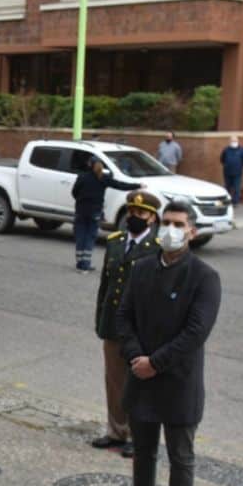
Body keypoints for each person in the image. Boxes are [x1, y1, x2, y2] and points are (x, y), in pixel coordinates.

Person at [99, 200, 221, 486]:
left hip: (179, 382)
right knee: (144, 451)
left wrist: (156, 362)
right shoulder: (141, 269)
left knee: (181, 457)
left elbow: (196, 331)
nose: (170, 229)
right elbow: (123, 317)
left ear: (192, 231)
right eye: (166, 222)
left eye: (178, 224)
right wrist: (138, 358)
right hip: (142, 376)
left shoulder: (204, 276)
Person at [92, 190, 162, 459]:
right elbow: (106, 286)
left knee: (139, 384)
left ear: (152, 218)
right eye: (131, 212)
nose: (134, 217)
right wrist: (100, 319)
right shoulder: (115, 241)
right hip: (112, 324)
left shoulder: (156, 248)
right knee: (114, 380)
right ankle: (116, 431)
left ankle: (137, 436)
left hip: (139, 329)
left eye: (141, 213)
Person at [71, 158, 141, 272]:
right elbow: (119, 185)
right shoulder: (102, 178)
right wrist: (137, 185)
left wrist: (80, 200)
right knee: (90, 237)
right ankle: (85, 264)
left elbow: (74, 192)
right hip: (95, 212)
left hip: (81, 211)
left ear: (89, 165)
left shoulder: (82, 177)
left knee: (80, 236)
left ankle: (80, 263)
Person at [220, 136, 243, 205]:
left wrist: (240, 166)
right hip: (227, 172)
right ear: (229, 142)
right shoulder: (226, 150)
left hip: (237, 172)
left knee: (236, 187)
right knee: (227, 187)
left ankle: (235, 202)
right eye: (232, 141)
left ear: (238, 141)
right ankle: (227, 201)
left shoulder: (242, 150)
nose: (233, 142)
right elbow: (222, 159)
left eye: (235, 141)